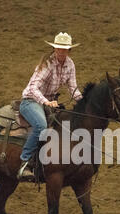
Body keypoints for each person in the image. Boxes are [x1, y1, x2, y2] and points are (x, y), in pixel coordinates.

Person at [18, 32, 83, 179]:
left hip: (50, 103)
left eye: (64, 49)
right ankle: (25, 161)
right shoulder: (47, 64)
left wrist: (85, 102)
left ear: (69, 50)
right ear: (54, 49)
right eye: (58, 48)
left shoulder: (70, 65)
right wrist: (46, 102)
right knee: (41, 125)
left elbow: (73, 89)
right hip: (31, 101)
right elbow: (33, 87)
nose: (61, 52)